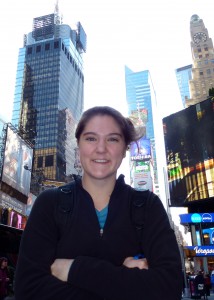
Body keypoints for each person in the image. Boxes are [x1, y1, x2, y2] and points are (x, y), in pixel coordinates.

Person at [15, 106, 182, 300]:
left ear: (125, 148)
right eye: (91, 138)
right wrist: (125, 279)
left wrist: (73, 270)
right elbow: (28, 290)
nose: (101, 149)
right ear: (78, 146)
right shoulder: (50, 203)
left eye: (112, 139)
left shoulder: (148, 207)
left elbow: (169, 288)